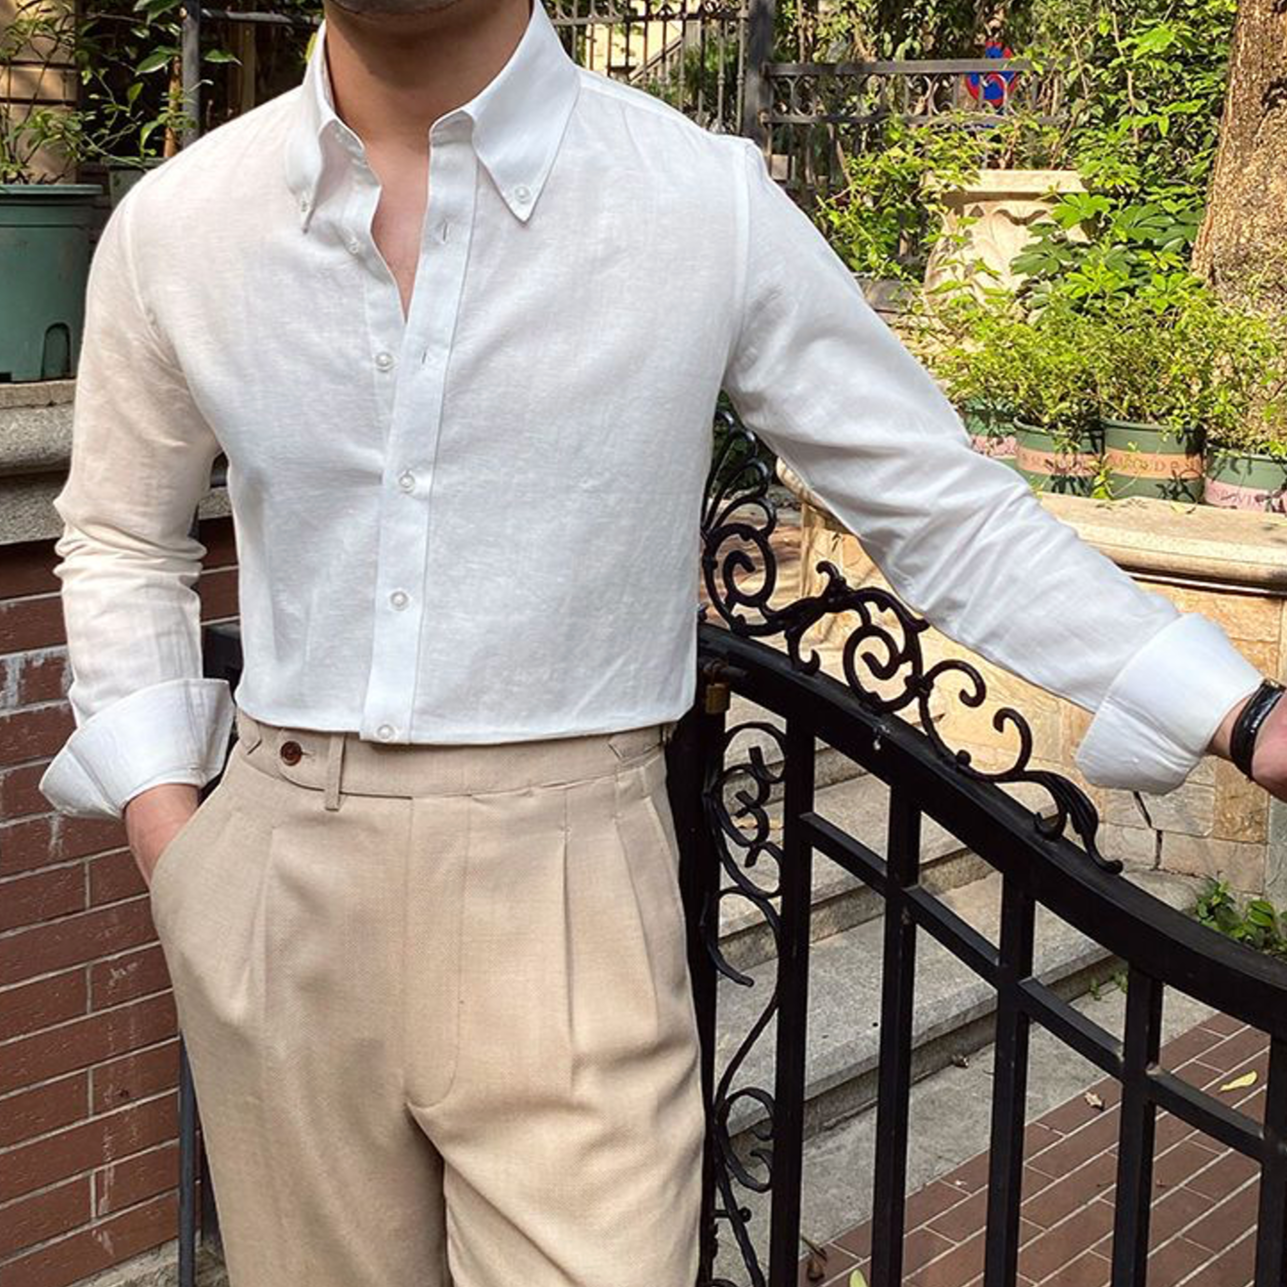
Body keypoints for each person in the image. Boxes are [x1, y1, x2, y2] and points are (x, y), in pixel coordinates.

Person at [38, 0, 1287, 1281]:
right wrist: (175, 841)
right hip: (274, 871)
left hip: (570, 885)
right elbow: (121, 534)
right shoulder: (184, 219)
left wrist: (1241, 712)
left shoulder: (698, 201)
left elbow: (937, 505)